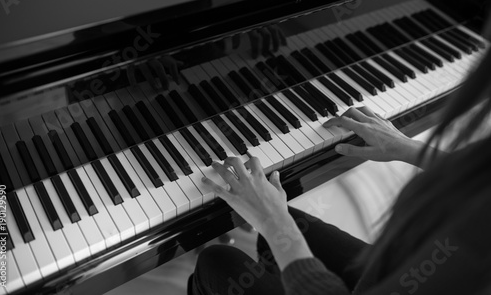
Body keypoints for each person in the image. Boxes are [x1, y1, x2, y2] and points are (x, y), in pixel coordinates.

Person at [187, 21, 491, 294]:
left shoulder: (473, 255)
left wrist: (273, 220)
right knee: (276, 236)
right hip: (396, 266)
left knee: (217, 261)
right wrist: (408, 148)